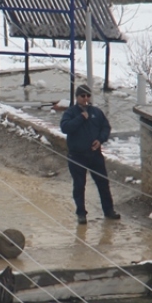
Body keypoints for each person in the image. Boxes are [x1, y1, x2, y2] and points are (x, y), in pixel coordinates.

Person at [59, 85, 121, 225]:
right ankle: (81, 213)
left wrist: (100, 140)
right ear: (77, 97)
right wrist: (81, 118)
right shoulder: (71, 112)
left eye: (88, 96)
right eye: (82, 96)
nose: (86, 98)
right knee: (80, 185)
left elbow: (106, 127)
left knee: (103, 183)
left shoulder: (96, 112)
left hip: (94, 154)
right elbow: (65, 127)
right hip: (77, 156)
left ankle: (109, 210)